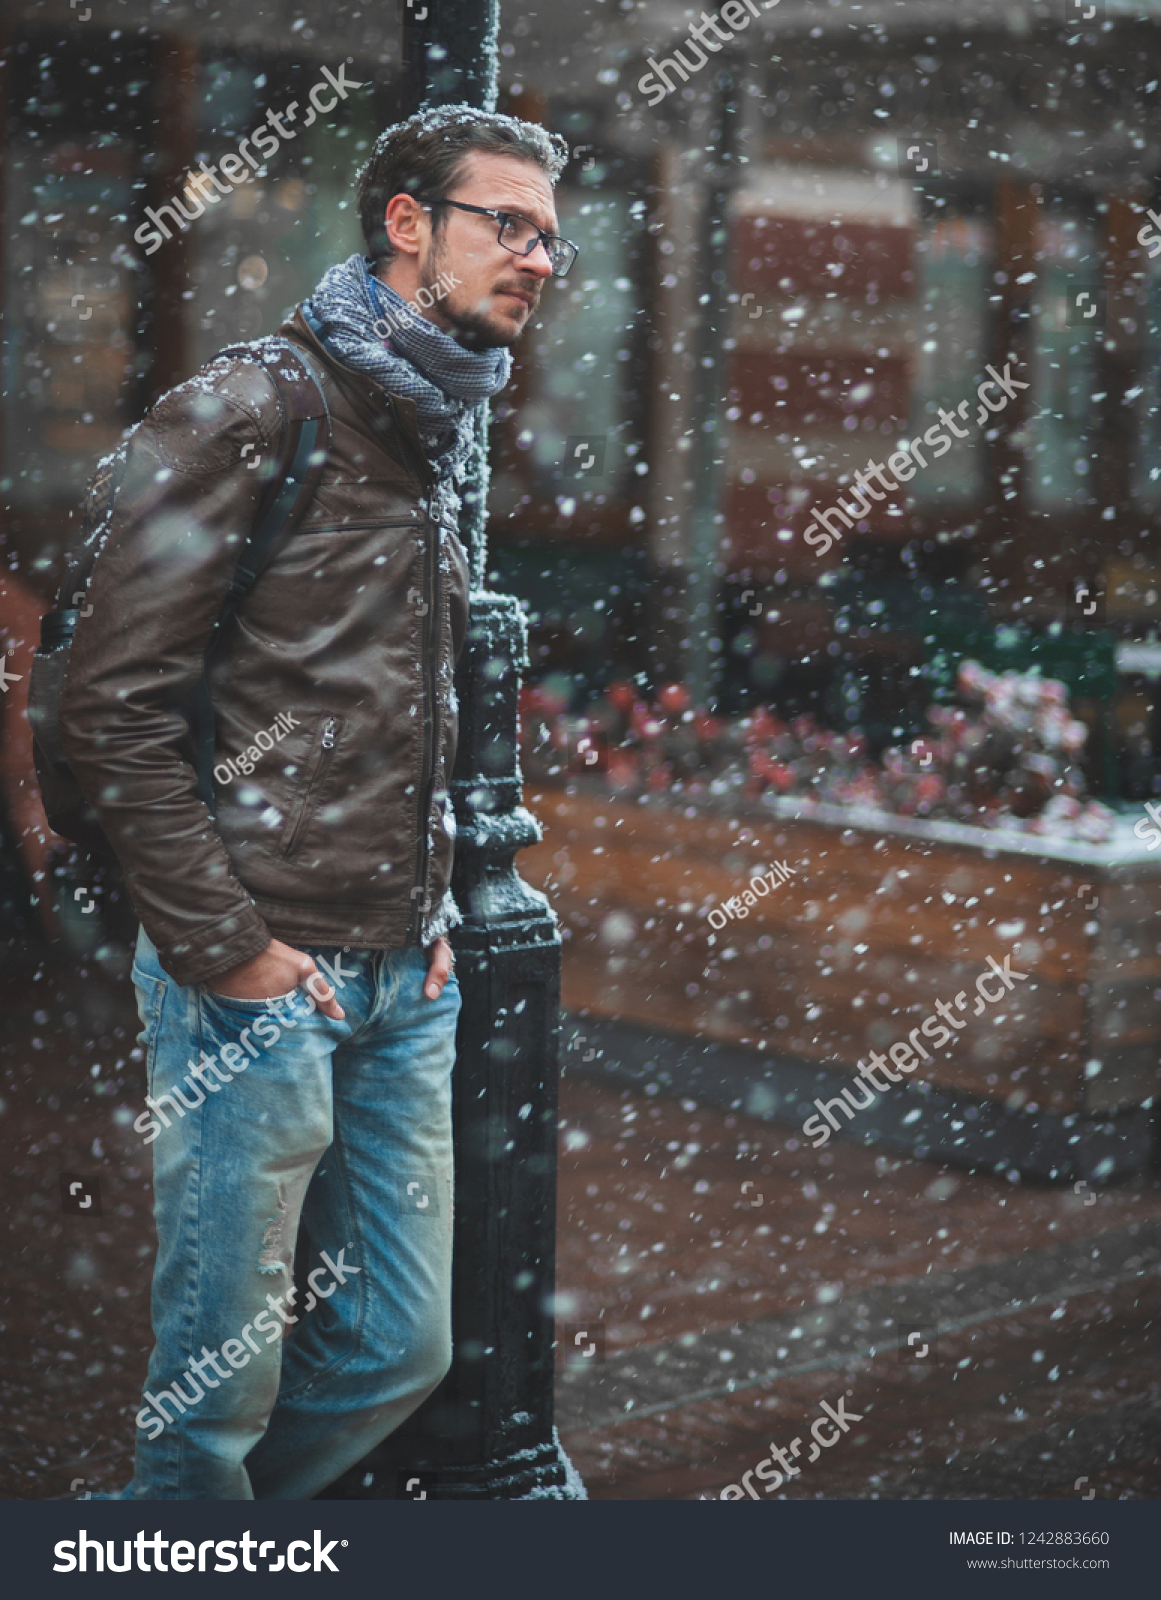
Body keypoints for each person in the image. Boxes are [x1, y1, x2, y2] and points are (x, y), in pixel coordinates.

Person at [57, 104, 574, 1500]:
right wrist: (229, 946)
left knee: (395, 1352)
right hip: (257, 970)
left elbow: (400, 701)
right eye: (506, 223)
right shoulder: (252, 405)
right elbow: (106, 702)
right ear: (407, 221)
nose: (538, 257)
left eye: (549, 234)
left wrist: (430, 902)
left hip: (406, 966)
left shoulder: (432, 421)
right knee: (215, 1397)